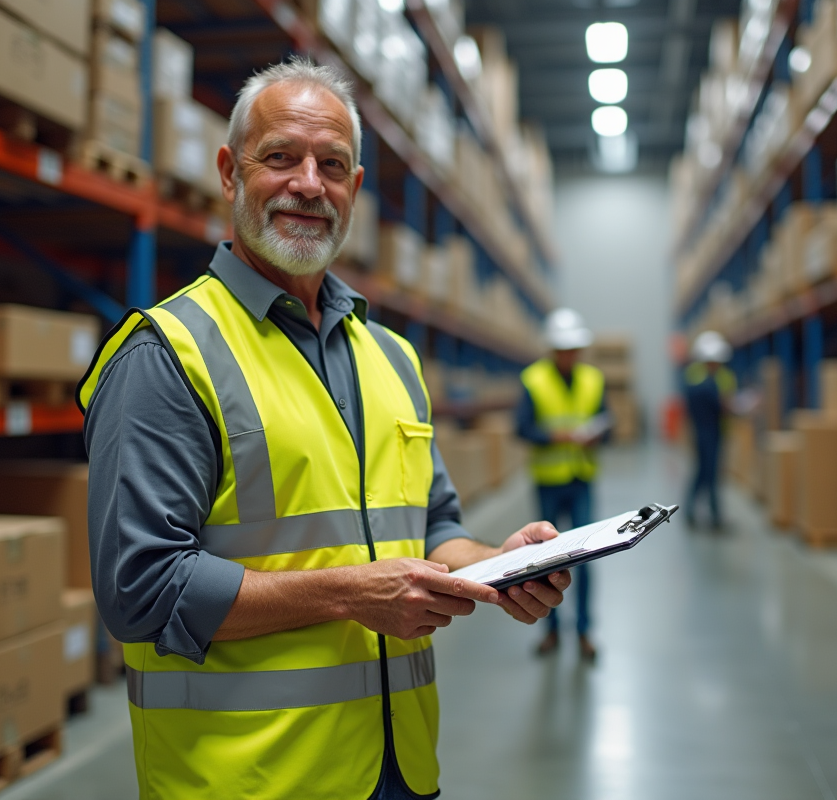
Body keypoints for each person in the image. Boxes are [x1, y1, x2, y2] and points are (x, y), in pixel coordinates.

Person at [78, 58, 571, 800]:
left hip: (399, 768)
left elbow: (433, 525)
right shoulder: (167, 356)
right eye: (280, 157)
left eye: (332, 165)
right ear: (228, 173)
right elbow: (139, 592)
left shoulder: (392, 358)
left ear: (356, 189)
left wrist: (496, 566)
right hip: (248, 781)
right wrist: (347, 595)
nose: (309, 184)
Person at [515, 308, 611, 661]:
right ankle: (551, 631)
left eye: (574, 349)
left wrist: (598, 436)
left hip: (582, 477)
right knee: (546, 561)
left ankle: (584, 631)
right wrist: (555, 436)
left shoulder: (593, 380)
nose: (569, 356)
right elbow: (522, 428)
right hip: (549, 482)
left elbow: (608, 422)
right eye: (563, 349)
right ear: (553, 350)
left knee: (586, 557)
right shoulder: (533, 380)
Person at [683, 330, 736, 530]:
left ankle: (692, 512)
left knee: (704, 473)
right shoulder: (702, 382)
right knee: (708, 474)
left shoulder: (712, 378)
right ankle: (714, 517)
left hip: (712, 431)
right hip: (706, 433)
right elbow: (719, 405)